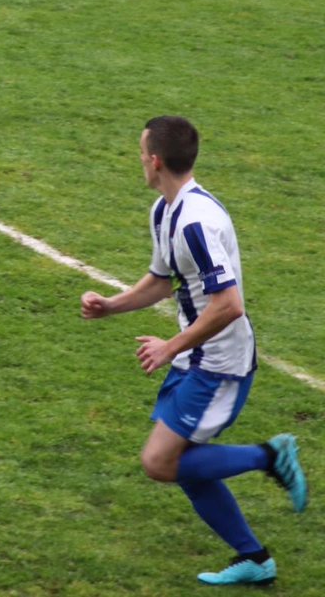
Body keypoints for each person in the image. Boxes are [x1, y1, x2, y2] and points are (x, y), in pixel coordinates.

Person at [81, 116, 308, 587]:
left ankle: (270, 456)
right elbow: (163, 281)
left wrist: (170, 346)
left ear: (156, 160)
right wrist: (112, 306)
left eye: (142, 153)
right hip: (195, 356)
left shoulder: (197, 224)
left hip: (219, 364)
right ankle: (255, 558)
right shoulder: (165, 211)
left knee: (160, 462)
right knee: (185, 466)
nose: (139, 160)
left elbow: (229, 306)